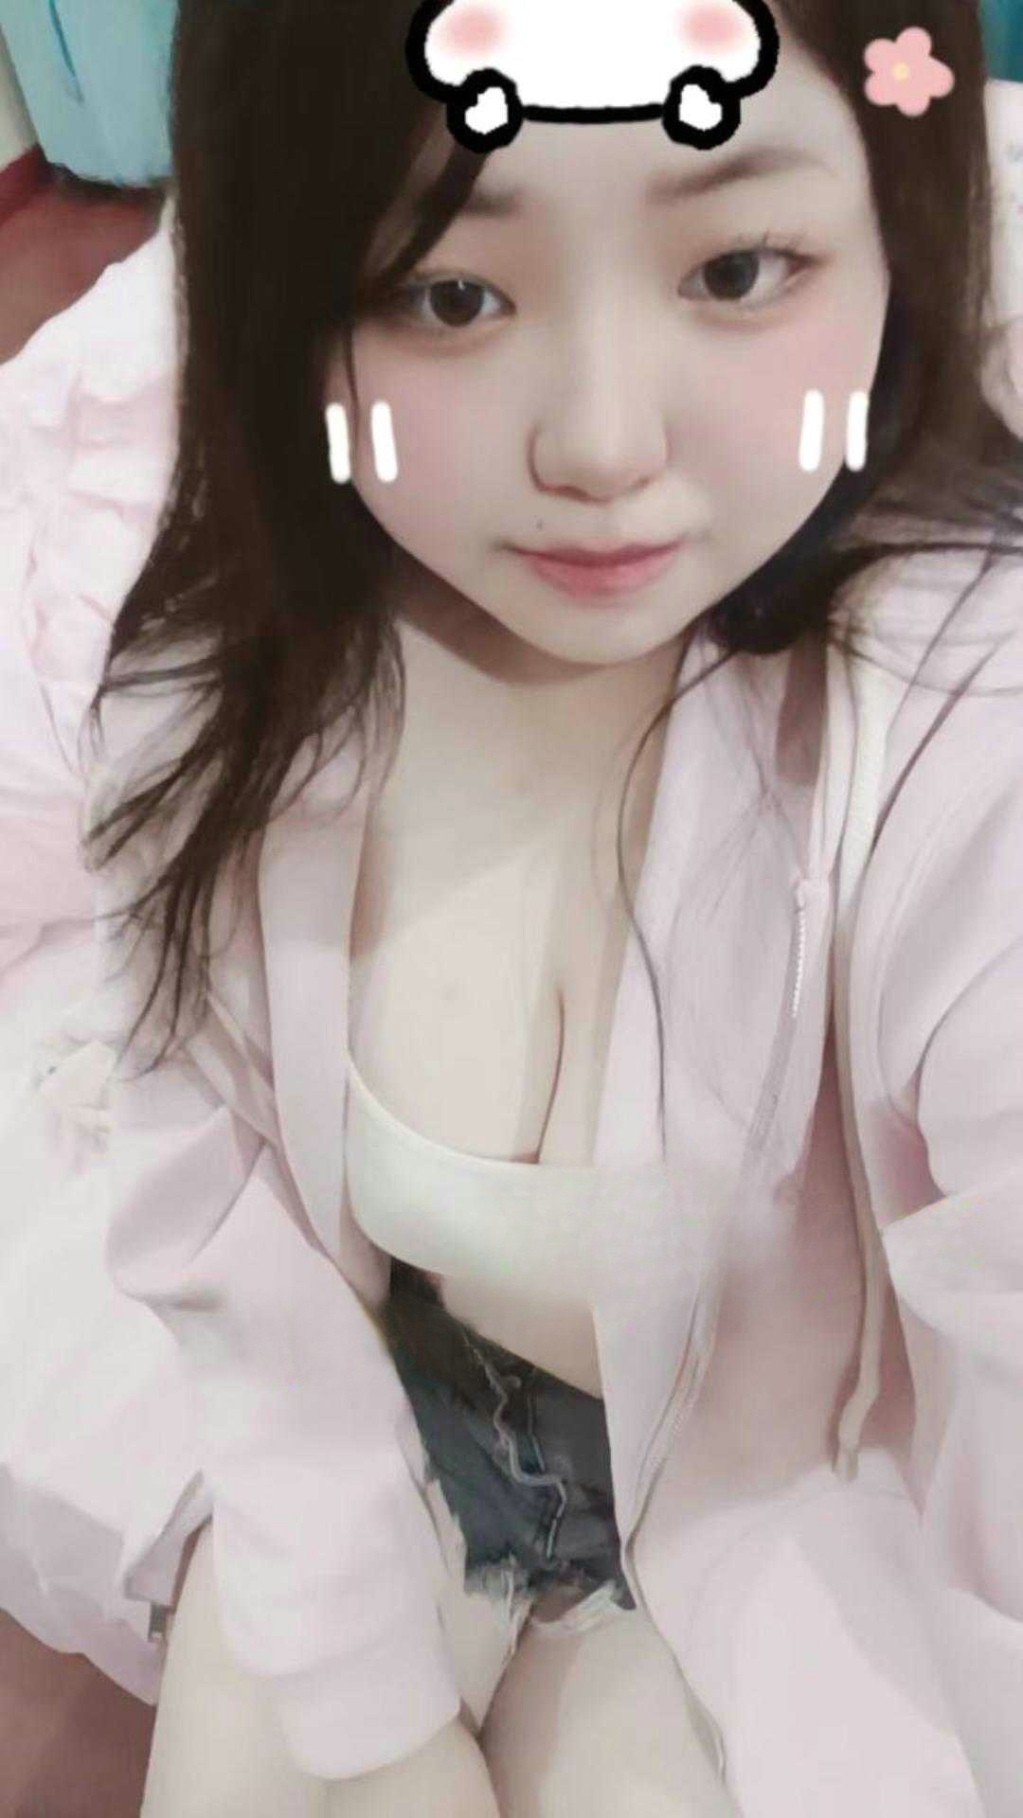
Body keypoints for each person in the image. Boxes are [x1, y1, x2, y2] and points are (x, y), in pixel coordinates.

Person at [1, 1, 1022, 1814]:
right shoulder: (220, 691)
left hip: (795, 1529)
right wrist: (386, 1734)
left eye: (736, 268)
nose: (604, 444)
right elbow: (237, 1257)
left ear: (899, 224)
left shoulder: (963, 726)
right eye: (451, 293)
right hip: (396, 1450)